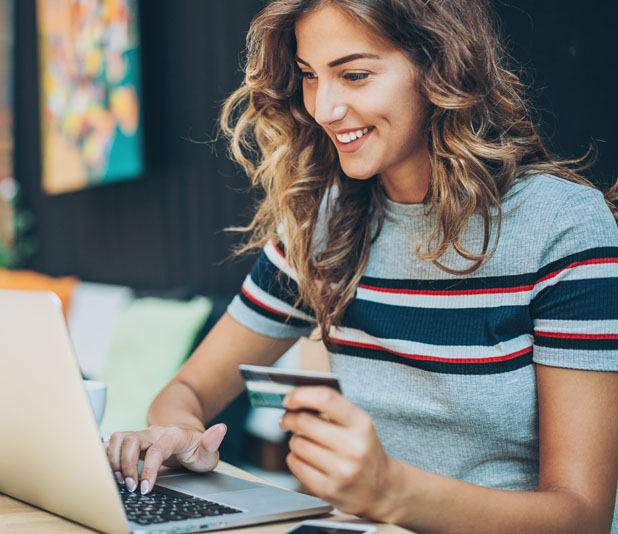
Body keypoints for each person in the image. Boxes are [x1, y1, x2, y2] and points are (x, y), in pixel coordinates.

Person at [105, 1, 618, 532]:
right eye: (310, 76)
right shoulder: (321, 227)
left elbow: (584, 517)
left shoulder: (563, 226)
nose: (324, 108)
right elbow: (183, 392)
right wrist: (180, 431)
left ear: (439, 67)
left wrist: (392, 491)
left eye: (354, 75)